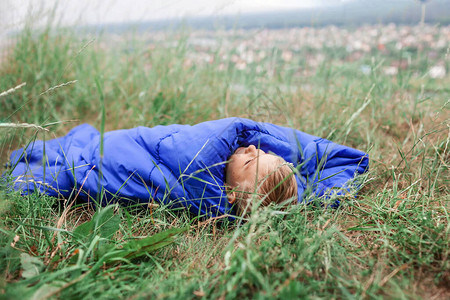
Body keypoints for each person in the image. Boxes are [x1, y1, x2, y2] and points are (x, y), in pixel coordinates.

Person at [6, 117, 369, 218]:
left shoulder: (202, 184)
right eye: (264, 152)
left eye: (247, 159)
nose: (253, 145)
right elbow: (345, 163)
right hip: (124, 146)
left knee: (79, 161)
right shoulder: (251, 186)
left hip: (109, 157)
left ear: (229, 191)